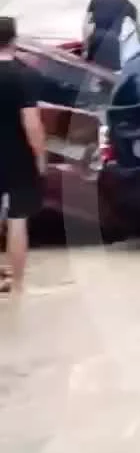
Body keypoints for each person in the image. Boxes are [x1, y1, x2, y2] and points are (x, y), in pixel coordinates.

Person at [0, 17, 46, 297]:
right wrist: (40, 157)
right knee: (17, 220)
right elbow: (32, 123)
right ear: (14, 40)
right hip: (18, 156)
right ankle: (17, 287)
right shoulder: (25, 75)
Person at [83, 0, 140, 71]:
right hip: (111, 43)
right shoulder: (128, 5)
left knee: (93, 73)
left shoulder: (95, 0)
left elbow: (86, 27)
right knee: (111, 78)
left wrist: (85, 49)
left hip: (95, 41)